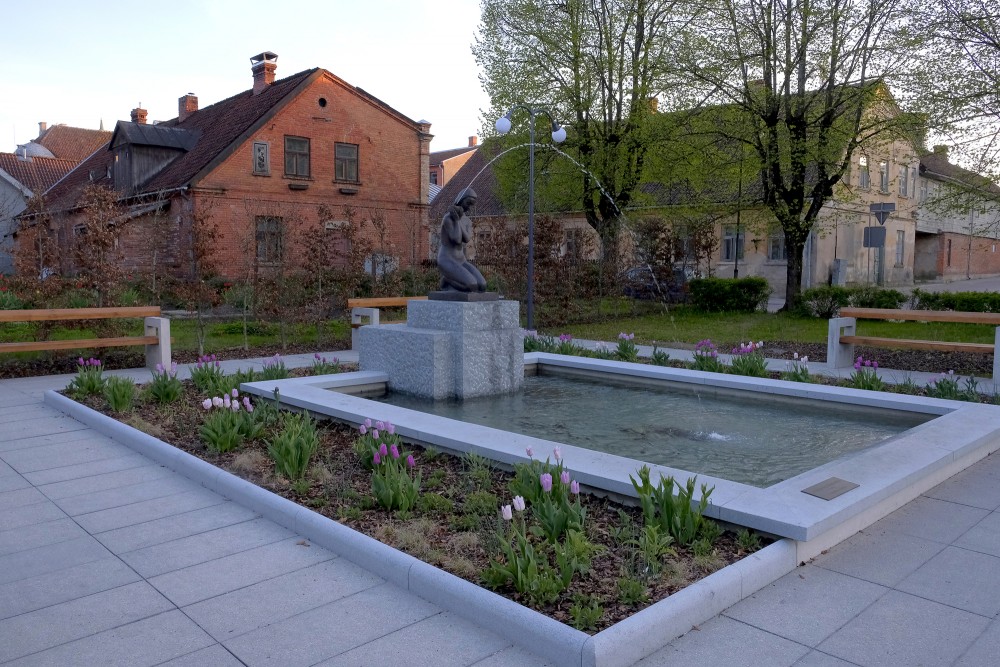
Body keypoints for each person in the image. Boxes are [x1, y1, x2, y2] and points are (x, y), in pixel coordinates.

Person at [437, 187, 487, 292]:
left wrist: (458, 220)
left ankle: (449, 280)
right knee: (471, 285)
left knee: (482, 285)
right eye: (468, 203)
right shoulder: (448, 218)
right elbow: (457, 239)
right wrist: (456, 220)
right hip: (447, 259)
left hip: (461, 260)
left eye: (471, 205)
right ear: (461, 200)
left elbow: (467, 238)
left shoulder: (467, 221)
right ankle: (447, 280)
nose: (469, 207)